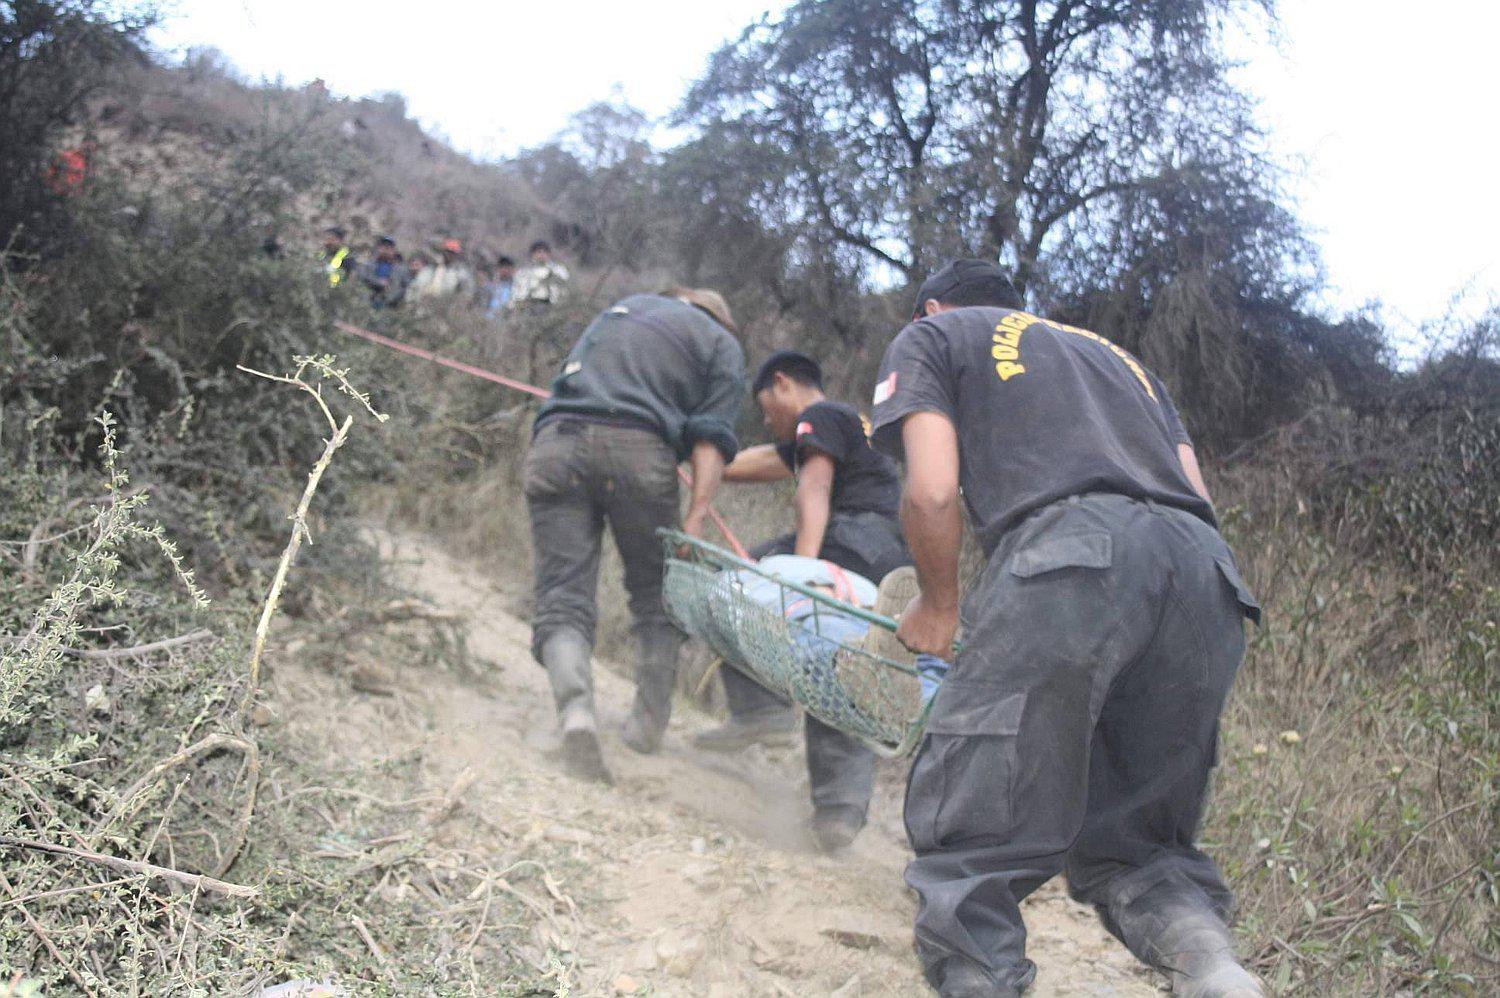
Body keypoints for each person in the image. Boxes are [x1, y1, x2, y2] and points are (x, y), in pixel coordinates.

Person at [869, 259, 1263, 998]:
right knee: (1144, 846)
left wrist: (939, 605)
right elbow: (1197, 494)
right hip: (1205, 573)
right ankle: (1215, 969)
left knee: (973, 843)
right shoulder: (1123, 363)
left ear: (932, 308)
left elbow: (932, 489)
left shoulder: (934, 337)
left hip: (1070, 557)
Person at [526, 286, 745, 784]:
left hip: (556, 443)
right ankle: (645, 729)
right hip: (640, 455)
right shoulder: (721, 343)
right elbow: (710, 439)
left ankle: (576, 715)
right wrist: (697, 517)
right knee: (655, 597)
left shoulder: (622, 310)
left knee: (563, 594)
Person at [710, 350, 911, 850]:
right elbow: (752, 464)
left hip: (850, 539)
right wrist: (696, 455)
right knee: (841, 661)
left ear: (783, 383)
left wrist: (802, 574)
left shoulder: (819, 416)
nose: (766, 420)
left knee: (734, 585)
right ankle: (840, 812)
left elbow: (812, 491)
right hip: (888, 559)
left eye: (765, 408)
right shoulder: (850, 428)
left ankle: (760, 710)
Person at [409, 238, 475, 302]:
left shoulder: (460, 272)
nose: (450, 255)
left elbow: (467, 292)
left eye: (453, 253)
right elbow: (416, 286)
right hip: (427, 304)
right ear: (444, 252)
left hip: (449, 304)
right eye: (448, 252)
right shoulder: (431, 269)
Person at [513, 240, 570, 308]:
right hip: (530, 305)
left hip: (553, 305)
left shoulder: (558, 270)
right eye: (538, 252)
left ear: (549, 254)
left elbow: (565, 285)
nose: (541, 255)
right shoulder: (524, 272)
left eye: (544, 252)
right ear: (532, 254)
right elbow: (518, 291)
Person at [358, 235, 410, 309]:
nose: (386, 250)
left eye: (389, 247)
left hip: (390, 306)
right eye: (384, 247)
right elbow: (362, 277)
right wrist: (378, 282)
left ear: (394, 251)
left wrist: (394, 295)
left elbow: (406, 287)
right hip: (366, 303)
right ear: (378, 248)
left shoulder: (401, 270)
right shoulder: (368, 265)